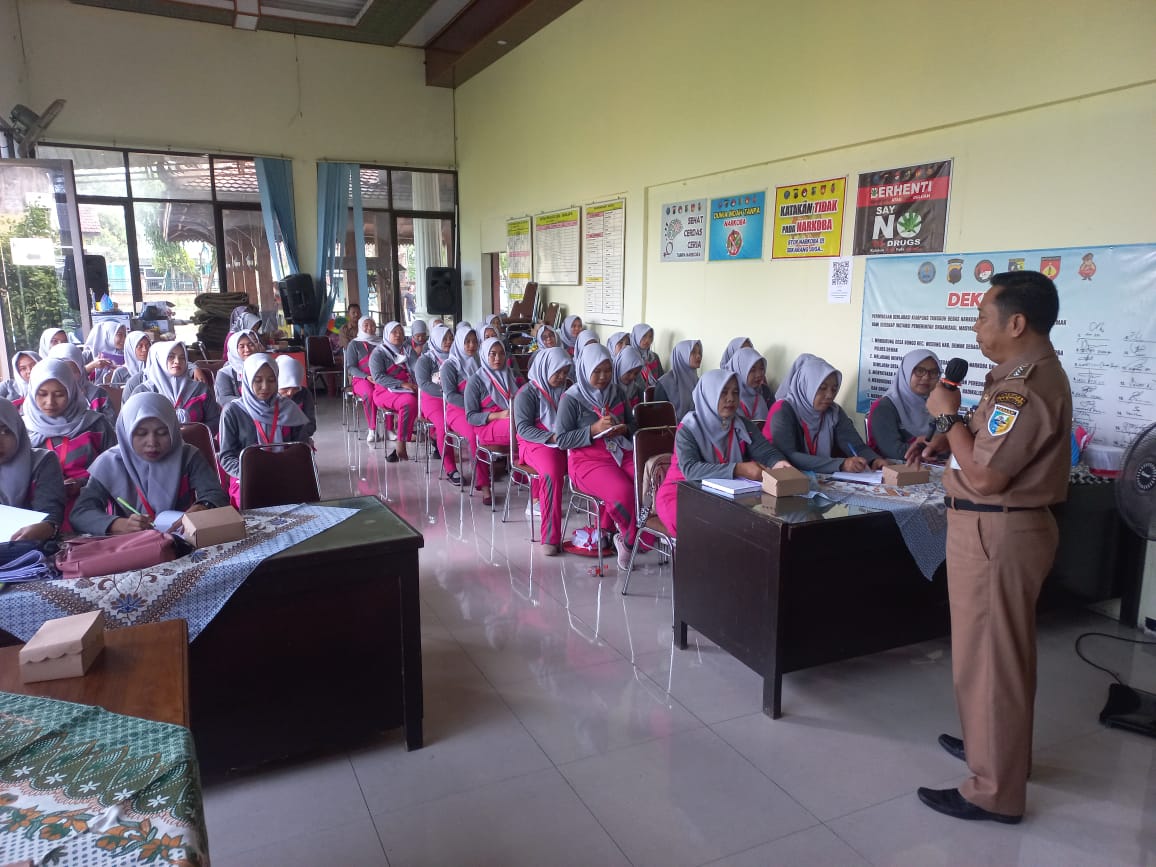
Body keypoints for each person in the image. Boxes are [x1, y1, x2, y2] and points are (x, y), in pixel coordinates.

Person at [915, 271, 1072, 825]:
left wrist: (945, 416)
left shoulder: (1021, 389)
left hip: (995, 533)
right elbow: (984, 449)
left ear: (1017, 323)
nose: (976, 327)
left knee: (988, 661)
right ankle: (996, 750)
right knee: (1002, 656)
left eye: (983, 316)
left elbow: (985, 477)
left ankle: (993, 790)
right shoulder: (1018, 378)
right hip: (1000, 531)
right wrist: (952, 434)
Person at [555, 344, 655, 570]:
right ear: (585, 369)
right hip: (588, 459)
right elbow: (562, 439)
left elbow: (633, 425)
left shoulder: (616, 391)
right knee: (623, 492)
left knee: (648, 483)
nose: (603, 377)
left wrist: (623, 428)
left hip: (620, 449)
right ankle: (635, 538)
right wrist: (593, 430)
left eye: (608, 370)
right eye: (597, 371)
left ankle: (629, 540)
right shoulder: (571, 399)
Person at [654, 370, 790, 537]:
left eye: (735, 392)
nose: (731, 398)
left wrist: (779, 463)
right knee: (702, 529)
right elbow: (690, 470)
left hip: (725, 495)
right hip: (681, 493)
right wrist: (738, 469)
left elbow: (766, 452)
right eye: (723, 392)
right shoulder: (688, 429)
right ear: (709, 394)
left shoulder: (742, 425)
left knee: (756, 527)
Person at [70, 392, 228, 536]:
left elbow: (215, 494)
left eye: (162, 433)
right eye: (141, 433)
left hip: (183, 539)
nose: (152, 442)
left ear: (173, 430)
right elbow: (81, 513)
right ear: (126, 431)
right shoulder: (109, 464)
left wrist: (202, 507)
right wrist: (119, 524)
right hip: (131, 546)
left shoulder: (187, 456)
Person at [22, 358, 116, 529]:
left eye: (59, 394)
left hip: (94, 513)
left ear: (71, 391)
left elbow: (115, 469)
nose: (50, 402)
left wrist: (82, 483)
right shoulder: (21, 431)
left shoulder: (96, 425)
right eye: (42, 394)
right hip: (37, 519)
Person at [218, 353, 310, 507]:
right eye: (258, 380)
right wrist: (251, 474)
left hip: (286, 474)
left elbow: (302, 450)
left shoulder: (289, 409)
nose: (265, 387)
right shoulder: (233, 411)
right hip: (247, 477)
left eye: (271, 380)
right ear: (247, 379)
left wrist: (285, 472)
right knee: (252, 509)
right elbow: (227, 457)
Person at [766, 356, 884, 473]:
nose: (829, 395)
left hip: (820, 478)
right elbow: (789, 456)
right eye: (822, 388)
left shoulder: (834, 412)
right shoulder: (782, 410)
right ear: (806, 386)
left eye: (834, 389)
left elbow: (855, 445)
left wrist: (874, 460)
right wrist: (841, 464)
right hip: (783, 477)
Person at [513, 347, 571, 555]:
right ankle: (550, 537)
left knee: (595, 460)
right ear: (545, 368)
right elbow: (523, 428)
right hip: (535, 442)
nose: (562, 377)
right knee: (552, 473)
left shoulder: (568, 389)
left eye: (565, 372)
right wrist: (552, 437)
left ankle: (605, 531)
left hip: (562, 439)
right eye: (558, 371)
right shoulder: (526, 393)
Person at [0, 398, 64, 541]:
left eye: (5, 431)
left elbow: (50, 511)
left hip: (31, 547)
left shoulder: (42, 461)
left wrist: (47, 527)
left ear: (17, 428)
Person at [465, 337, 517, 505]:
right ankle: (486, 486)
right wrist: (498, 415)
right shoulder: (475, 381)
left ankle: (527, 476)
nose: (497, 358)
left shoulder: (509, 375)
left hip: (510, 419)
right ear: (484, 355)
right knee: (521, 429)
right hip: (487, 425)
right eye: (492, 354)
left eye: (501, 354)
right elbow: (471, 416)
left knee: (530, 428)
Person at [867, 349, 941, 460]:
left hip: (931, 466)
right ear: (906, 372)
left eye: (933, 372)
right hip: (890, 467)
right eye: (919, 371)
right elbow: (895, 451)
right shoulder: (884, 407)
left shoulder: (937, 405)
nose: (926, 377)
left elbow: (950, 442)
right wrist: (939, 449)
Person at [137, 341, 220, 430]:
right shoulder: (143, 392)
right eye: (170, 356)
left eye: (182, 357)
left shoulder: (200, 389)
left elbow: (215, 421)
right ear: (159, 359)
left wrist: (194, 431)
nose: (177, 361)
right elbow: (135, 427)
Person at [413, 324, 457, 482]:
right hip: (433, 399)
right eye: (444, 339)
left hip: (454, 399)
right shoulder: (425, 360)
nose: (448, 342)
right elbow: (424, 384)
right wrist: (447, 392)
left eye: (451, 338)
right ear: (436, 339)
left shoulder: (457, 358)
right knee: (444, 425)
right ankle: (450, 468)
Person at [370, 321, 418, 462]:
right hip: (384, 391)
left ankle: (436, 442)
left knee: (430, 400)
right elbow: (378, 377)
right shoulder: (378, 353)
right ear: (386, 334)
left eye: (401, 332)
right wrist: (402, 384)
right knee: (409, 402)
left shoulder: (408, 350)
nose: (398, 335)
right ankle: (401, 442)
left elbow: (417, 369)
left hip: (409, 387)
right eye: (394, 332)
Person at [441, 327, 482, 487]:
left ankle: (491, 467)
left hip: (479, 408)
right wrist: (473, 404)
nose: (472, 345)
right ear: (459, 343)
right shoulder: (449, 366)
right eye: (467, 342)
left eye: (474, 341)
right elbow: (451, 396)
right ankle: (480, 477)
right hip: (457, 411)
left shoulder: (479, 361)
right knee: (473, 433)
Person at [46, 343, 115, 425]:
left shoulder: (98, 395)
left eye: (72, 371)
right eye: (60, 372)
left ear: (81, 370)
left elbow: (110, 426)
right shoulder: (47, 399)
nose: (66, 377)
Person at [345, 316, 380, 436]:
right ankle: (372, 429)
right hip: (361, 379)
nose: (370, 328)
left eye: (372, 325)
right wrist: (366, 376)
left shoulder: (381, 342)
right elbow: (351, 367)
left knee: (388, 390)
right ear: (360, 327)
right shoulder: (354, 344)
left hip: (379, 377)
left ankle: (389, 429)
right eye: (366, 325)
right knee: (369, 394)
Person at [653, 339, 701, 419]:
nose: (699, 356)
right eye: (693, 352)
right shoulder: (664, 383)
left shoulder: (699, 382)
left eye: (699, 352)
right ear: (681, 355)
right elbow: (659, 417)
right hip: (671, 426)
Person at [215, 330, 260, 408]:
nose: (247, 349)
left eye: (251, 345)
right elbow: (224, 398)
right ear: (234, 350)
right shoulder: (225, 373)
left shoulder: (264, 368)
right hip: (237, 412)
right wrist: (252, 403)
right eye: (242, 346)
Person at [276, 355, 316, 440]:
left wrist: (299, 441)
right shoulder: (269, 397)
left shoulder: (304, 394)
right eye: (285, 388)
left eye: (295, 388)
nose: (290, 393)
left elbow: (311, 424)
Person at [727, 347, 772, 421]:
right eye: (752, 370)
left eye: (761, 368)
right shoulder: (727, 400)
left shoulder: (761, 396)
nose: (759, 375)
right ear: (739, 370)